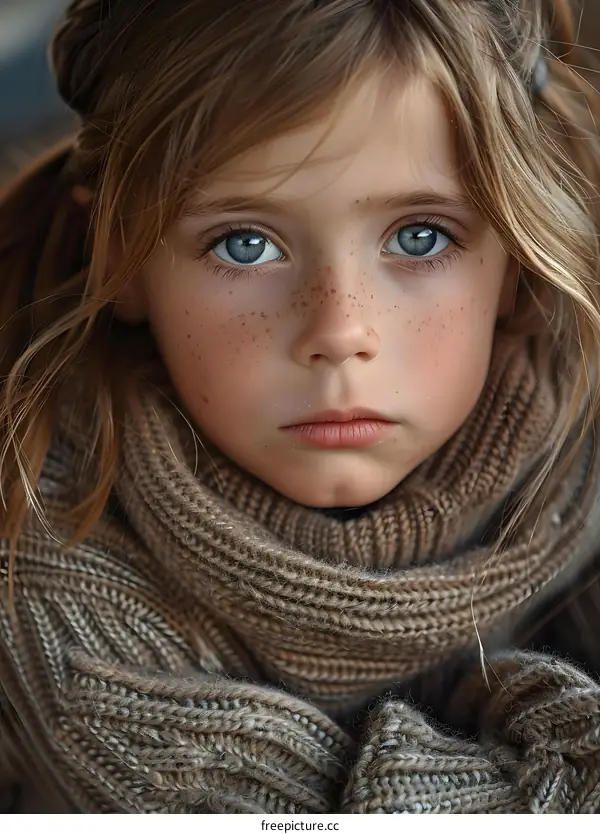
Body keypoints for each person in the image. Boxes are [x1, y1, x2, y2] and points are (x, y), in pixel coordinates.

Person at [1, 0, 600, 815]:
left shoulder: (581, 464)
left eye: (420, 237)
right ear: (124, 254)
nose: (339, 330)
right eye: (245, 243)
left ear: (517, 254)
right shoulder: (53, 613)